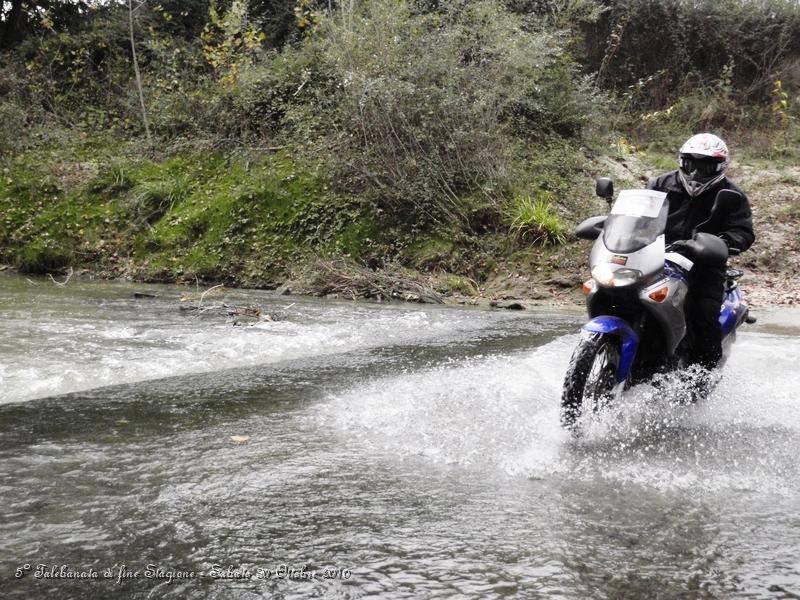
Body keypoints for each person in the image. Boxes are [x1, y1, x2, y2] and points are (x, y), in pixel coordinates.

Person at [647, 133, 755, 369]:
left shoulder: (732, 195)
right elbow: (639, 216)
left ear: (719, 167)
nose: (696, 173)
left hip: (704, 264)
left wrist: (722, 242)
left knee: (704, 314)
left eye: (704, 166)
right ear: (682, 161)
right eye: (691, 164)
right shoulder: (660, 185)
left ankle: (701, 377)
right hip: (656, 257)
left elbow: (743, 232)